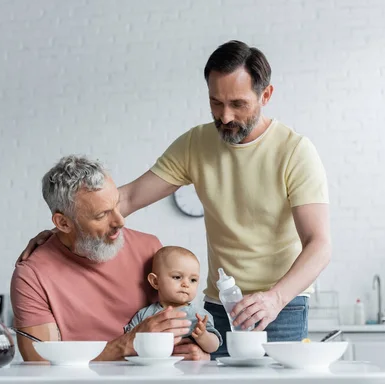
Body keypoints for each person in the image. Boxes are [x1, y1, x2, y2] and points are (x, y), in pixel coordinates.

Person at [19, 40, 332, 358]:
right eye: (215, 102)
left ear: (266, 96)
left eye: (238, 104)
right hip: (216, 309)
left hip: (281, 307)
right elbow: (127, 198)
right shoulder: (196, 143)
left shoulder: (294, 152)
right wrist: (65, 231)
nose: (224, 117)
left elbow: (319, 244)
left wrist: (275, 299)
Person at [10, 155, 209, 362]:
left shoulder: (150, 249)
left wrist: (196, 351)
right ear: (63, 223)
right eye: (101, 215)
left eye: (117, 205)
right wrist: (126, 344)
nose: (120, 221)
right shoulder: (32, 275)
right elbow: (40, 364)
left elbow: (180, 320)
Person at [124, 246, 222, 354]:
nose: (186, 284)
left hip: (188, 369)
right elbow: (127, 341)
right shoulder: (145, 315)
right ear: (155, 282)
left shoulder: (199, 316)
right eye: (177, 277)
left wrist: (203, 336)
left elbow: (213, 347)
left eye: (193, 280)